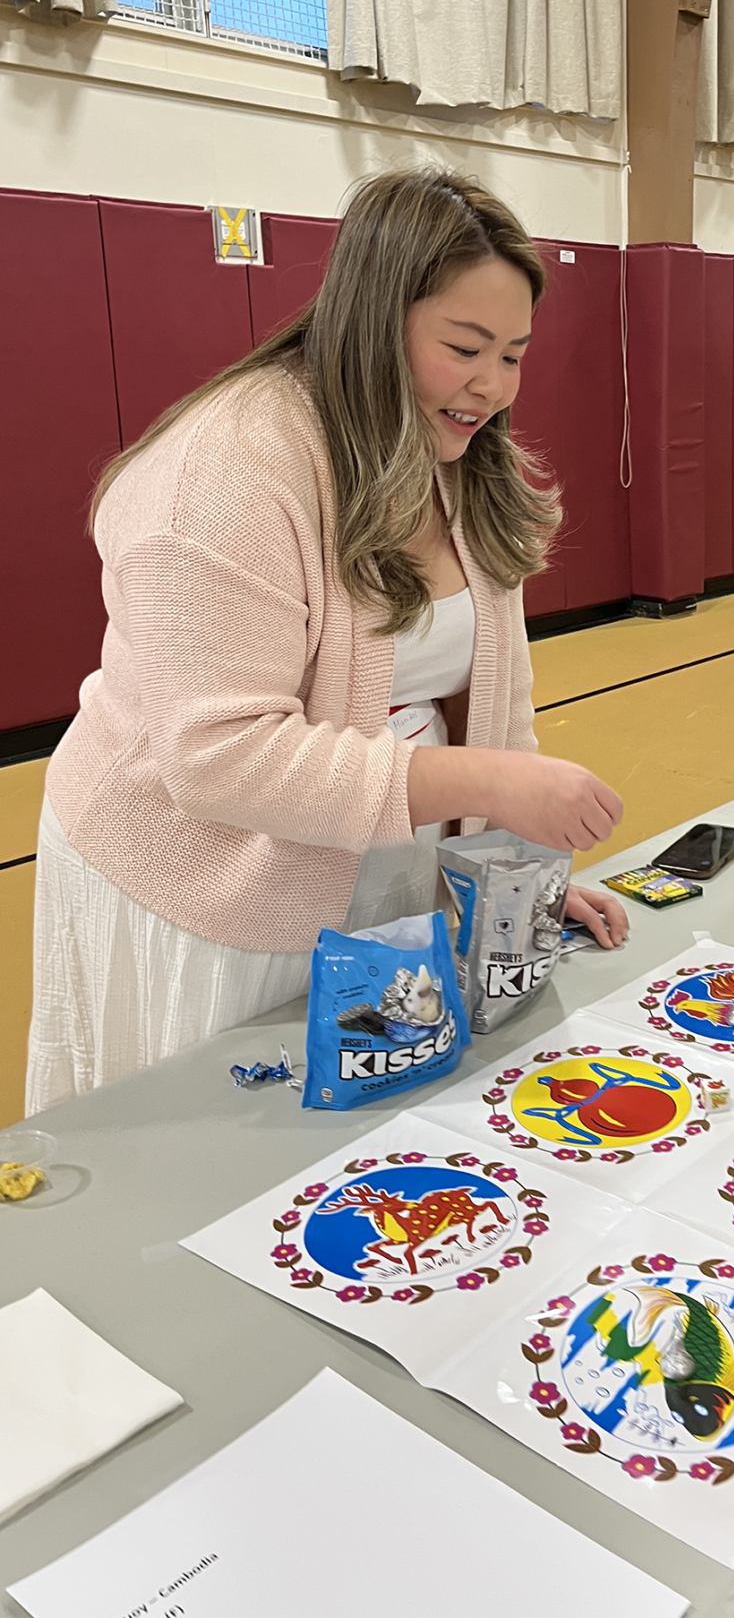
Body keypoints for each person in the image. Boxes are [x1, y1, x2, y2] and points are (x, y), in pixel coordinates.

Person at [28, 166, 628, 1113]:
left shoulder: (460, 459)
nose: (491, 385)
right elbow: (219, 758)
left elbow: (494, 699)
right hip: (208, 879)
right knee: (228, 1130)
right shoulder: (226, 470)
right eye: (464, 348)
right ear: (373, 323)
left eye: (513, 354)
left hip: (374, 851)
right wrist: (487, 784)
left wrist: (513, 871)